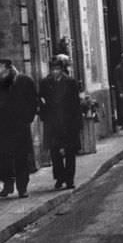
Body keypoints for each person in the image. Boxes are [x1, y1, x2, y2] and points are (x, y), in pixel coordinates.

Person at [0, 59, 38, 198]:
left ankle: (22, 187)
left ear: (9, 69)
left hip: (20, 126)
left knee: (21, 158)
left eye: (0, 68)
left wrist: (27, 119)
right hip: (1, 128)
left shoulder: (25, 81)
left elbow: (33, 101)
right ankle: (7, 185)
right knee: (2, 157)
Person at [39, 54, 82, 190]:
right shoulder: (45, 83)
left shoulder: (70, 82)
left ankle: (69, 179)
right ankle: (59, 177)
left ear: (62, 69)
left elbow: (76, 103)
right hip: (53, 122)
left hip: (68, 121)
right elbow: (41, 101)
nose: (55, 72)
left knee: (70, 152)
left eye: (57, 69)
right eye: (53, 69)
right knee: (55, 151)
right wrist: (44, 116)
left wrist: (77, 123)